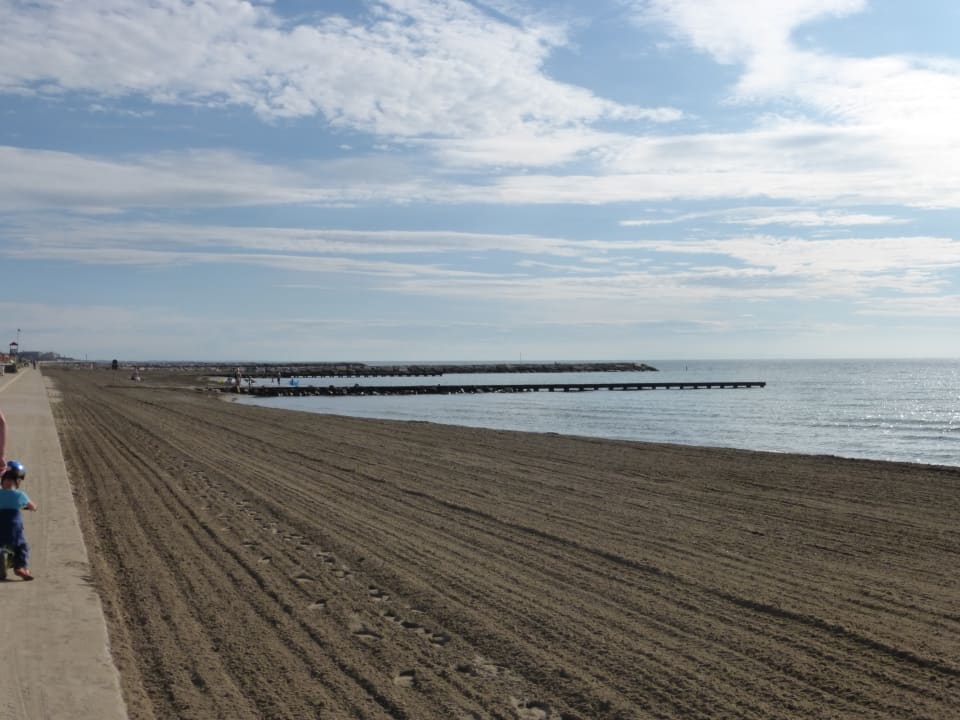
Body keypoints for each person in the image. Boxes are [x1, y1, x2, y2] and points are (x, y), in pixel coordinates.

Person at [0, 460, 37, 581]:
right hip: (14, 528)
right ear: (18, 482)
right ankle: (20, 567)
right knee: (22, 546)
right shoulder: (20, 495)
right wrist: (31, 507)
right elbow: (32, 506)